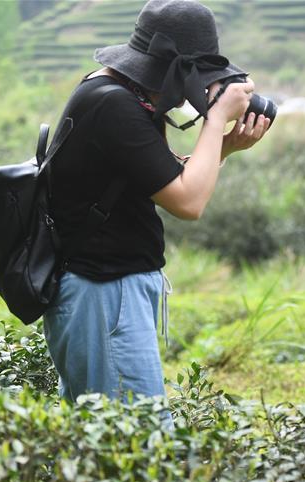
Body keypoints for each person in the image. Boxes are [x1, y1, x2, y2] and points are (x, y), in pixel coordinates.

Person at [43, 0, 270, 410]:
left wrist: (224, 147)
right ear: (175, 71)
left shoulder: (123, 94)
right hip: (105, 294)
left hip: (108, 292)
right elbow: (188, 202)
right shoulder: (114, 104)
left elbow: (164, 180)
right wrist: (215, 120)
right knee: (140, 443)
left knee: (98, 445)